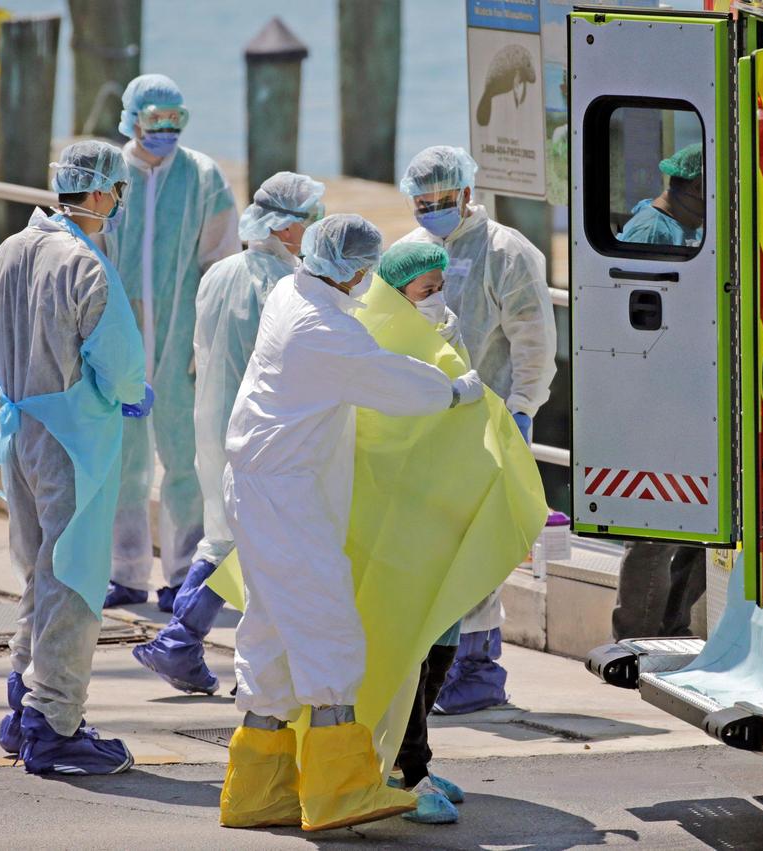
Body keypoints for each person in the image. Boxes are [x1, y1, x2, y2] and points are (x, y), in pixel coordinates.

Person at [219, 214, 485, 831]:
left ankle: (257, 789)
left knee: (271, 633)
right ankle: (343, 789)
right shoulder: (322, 329)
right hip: (286, 495)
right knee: (326, 626)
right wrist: (454, 390)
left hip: (265, 485)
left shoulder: (293, 292)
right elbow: (387, 381)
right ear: (358, 271)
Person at [0, 141, 147, 775]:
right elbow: (122, 365)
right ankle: (54, 725)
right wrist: (130, 395)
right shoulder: (84, 264)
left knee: (36, 572)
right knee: (74, 580)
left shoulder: (7, 253)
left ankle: (23, 701)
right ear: (102, 193)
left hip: (18, 430)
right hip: (74, 441)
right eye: (119, 193)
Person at [131, 172, 325, 694]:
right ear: (286, 228)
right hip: (265, 431)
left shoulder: (220, 273)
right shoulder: (286, 286)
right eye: (309, 218)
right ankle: (257, 670)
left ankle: (180, 641)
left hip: (214, 422)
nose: (316, 227)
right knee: (264, 543)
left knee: (224, 535)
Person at [398, 145, 556, 714]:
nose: (433, 209)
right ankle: (449, 662)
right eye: (423, 202)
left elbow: (533, 339)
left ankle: (480, 667)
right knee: (438, 543)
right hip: (428, 423)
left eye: (443, 199)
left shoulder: (506, 252)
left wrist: (522, 406)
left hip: (490, 419)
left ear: (467, 192)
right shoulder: (411, 251)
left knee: (481, 544)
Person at [102, 73, 241, 612]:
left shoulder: (203, 177)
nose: (164, 130)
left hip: (183, 343)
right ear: (132, 117)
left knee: (190, 461)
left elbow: (222, 263)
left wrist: (206, 344)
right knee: (122, 463)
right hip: (121, 343)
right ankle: (125, 572)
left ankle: (184, 572)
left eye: (175, 120)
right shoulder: (110, 174)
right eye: (155, 119)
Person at [376, 242, 469, 825]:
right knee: (408, 647)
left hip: (439, 503)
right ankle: (411, 770)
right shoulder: (375, 338)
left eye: (440, 289)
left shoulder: (444, 331)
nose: (436, 301)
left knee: (443, 639)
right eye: (425, 292)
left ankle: (410, 757)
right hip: (398, 514)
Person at [611, 142, 706, 641]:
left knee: (697, 522)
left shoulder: (685, 228)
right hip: (655, 398)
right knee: (653, 528)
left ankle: (673, 627)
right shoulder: (653, 231)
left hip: (686, 395)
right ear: (689, 186)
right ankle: (638, 637)